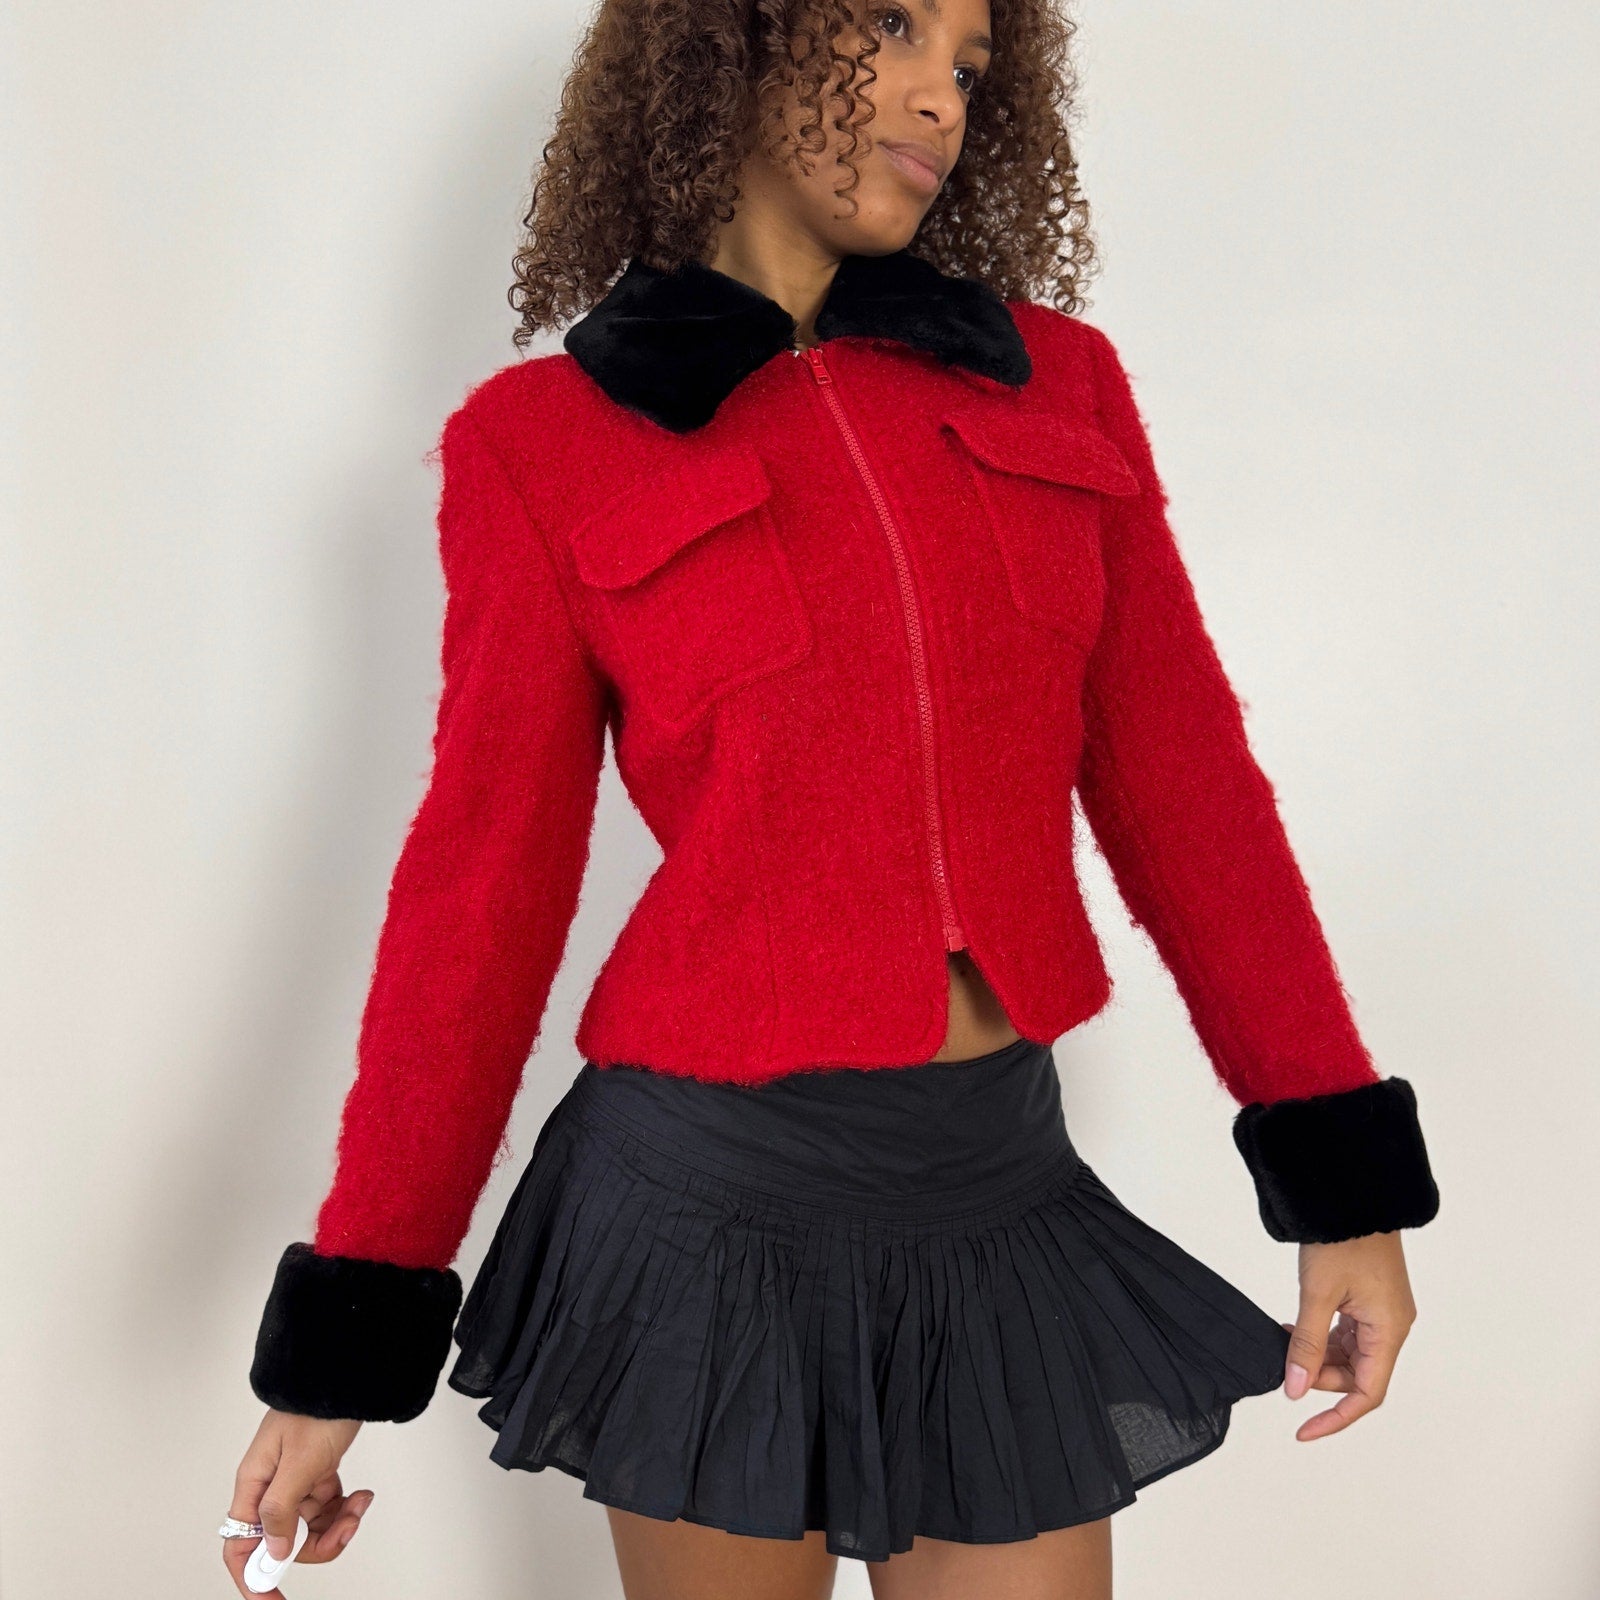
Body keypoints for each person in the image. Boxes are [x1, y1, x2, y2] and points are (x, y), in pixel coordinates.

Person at [222, 1, 1440, 1596]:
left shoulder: (1055, 386)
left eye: (974, 66)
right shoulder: (544, 443)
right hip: (700, 1210)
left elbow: (1191, 790)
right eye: (891, 24)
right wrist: (349, 1340)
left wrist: (1345, 1189)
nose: (941, 94)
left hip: (996, 1187)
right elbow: (482, 894)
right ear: (734, 38)